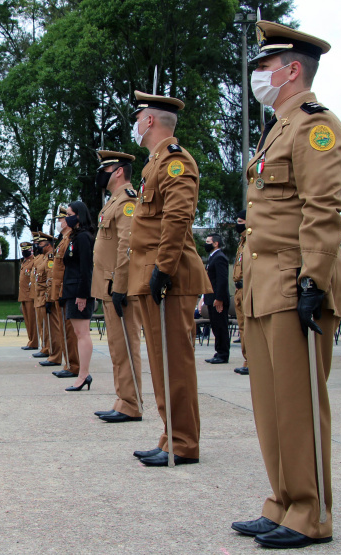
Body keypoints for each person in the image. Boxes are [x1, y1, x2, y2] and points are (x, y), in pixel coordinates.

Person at [231, 22, 341, 549]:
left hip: (294, 283)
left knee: (299, 404)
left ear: (292, 70)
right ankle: (282, 501)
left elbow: (323, 210)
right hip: (263, 286)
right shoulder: (276, 129)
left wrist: (314, 280)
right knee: (271, 403)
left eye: (264, 67)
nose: (257, 75)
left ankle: (312, 513)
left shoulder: (315, 127)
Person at [126, 90, 209, 469]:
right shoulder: (153, 164)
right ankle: (170, 435)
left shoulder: (175, 162)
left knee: (174, 362)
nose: (136, 123)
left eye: (138, 116)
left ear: (150, 121)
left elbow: (177, 218)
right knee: (161, 362)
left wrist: (164, 269)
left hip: (168, 275)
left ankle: (183, 442)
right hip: (152, 274)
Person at [91, 150, 142, 422]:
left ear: (119, 171)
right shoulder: (113, 202)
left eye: (106, 169)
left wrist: (120, 285)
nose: (101, 174)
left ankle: (131, 404)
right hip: (108, 286)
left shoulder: (127, 202)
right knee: (116, 347)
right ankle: (123, 399)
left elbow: (127, 246)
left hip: (118, 286)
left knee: (125, 345)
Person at [60, 201, 95, 392]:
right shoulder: (76, 237)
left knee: (82, 334)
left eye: (70, 214)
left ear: (79, 216)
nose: (67, 217)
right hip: (72, 290)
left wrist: (83, 295)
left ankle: (83, 375)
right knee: (79, 334)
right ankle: (83, 373)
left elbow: (86, 268)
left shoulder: (83, 237)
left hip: (79, 292)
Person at [46, 207, 81, 377]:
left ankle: (73, 365)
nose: (59, 223)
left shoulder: (70, 239)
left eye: (61, 219)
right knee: (64, 330)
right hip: (59, 290)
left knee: (69, 331)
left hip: (65, 290)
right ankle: (69, 364)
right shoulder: (63, 240)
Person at [203, 233, 230, 364]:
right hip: (211, 297)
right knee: (216, 326)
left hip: (217, 299)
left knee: (221, 327)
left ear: (215, 243)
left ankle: (223, 354)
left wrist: (219, 298)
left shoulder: (219, 258)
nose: (206, 244)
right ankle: (219, 351)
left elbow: (222, 280)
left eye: (208, 241)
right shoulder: (212, 257)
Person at [30, 232, 53, 358]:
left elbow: (50, 278)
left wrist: (48, 296)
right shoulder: (43, 257)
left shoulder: (50, 258)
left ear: (49, 245)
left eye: (41, 244)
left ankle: (48, 348)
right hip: (38, 295)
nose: (38, 246)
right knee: (42, 325)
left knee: (46, 325)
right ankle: (44, 347)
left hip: (44, 295)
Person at [233, 211, 249, 375]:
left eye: (240, 221)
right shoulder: (242, 243)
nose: (238, 224)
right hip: (240, 289)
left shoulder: (252, 242)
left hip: (248, 288)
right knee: (243, 327)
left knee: (249, 327)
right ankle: (247, 359)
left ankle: (252, 360)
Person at [18, 243, 39, 350]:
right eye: (23, 250)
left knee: (32, 320)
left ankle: (34, 342)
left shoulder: (34, 261)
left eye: (26, 250)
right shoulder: (24, 262)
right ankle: (30, 340)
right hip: (23, 295)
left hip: (30, 295)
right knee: (27, 320)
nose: (24, 252)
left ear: (31, 250)